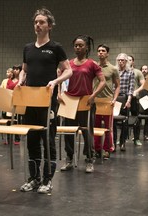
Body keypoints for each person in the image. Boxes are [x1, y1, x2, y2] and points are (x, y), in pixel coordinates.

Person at [17, 8, 72, 194]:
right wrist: (20, 79)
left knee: (47, 139)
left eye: (41, 22)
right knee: (31, 139)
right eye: (36, 22)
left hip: (48, 101)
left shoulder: (56, 48)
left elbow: (68, 70)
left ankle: (47, 179)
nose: (38, 25)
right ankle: (34, 178)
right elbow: (24, 69)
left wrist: (55, 81)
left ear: (49, 26)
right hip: (30, 99)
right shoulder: (27, 48)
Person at [60, 35, 105, 173]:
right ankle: (69, 158)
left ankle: (89, 159)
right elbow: (59, 77)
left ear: (86, 47)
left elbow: (102, 82)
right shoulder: (69, 64)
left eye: (80, 45)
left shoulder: (92, 64)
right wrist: (58, 94)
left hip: (86, 101)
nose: (77, 48)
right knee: (68, 131)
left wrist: (93, 95)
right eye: (76, 45)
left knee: (87, 132)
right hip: (69, 101)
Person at [93, 44, 120, 159]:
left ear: (107, 53)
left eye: (103, 51)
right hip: (95, 101)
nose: (100, 53)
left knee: (108, 128)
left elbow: (118, 86)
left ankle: (107, 150)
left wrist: (114, 99)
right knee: (95, 127)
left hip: (107, 101)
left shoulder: (113, 69)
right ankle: (97, 149)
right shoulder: (94, 67)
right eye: (99, 51)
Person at [113, 53, 134, 151]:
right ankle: (113, 142)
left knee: (125, 121)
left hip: (125, 97)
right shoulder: (114, 71)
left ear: (126, 62)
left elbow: (131, 87)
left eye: (123, 60)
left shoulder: (130, 72)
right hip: (115, 97)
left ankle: (122, 142)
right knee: (113, 121)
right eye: (119, 60)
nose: (121, 62)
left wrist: (129, 100)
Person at [128, 55, 145, 146]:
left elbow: (143, 85)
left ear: (133, 62)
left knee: (136, 119)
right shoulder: (122, 72)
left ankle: (136, 139)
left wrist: (136, 91)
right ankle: (122, 139)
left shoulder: (137, 72)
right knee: (124, 119)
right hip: (125, 98)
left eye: (130, 60)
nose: (128, 61)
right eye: (127, 60)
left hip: (134, 98)